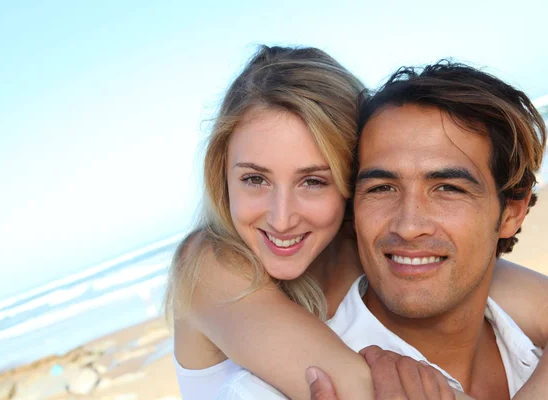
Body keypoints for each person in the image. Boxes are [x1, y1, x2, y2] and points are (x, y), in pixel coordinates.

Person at [165, 46, 548, 399]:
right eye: (254, 179)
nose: (281, 218)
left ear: (350, 181)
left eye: (313, 181)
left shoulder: (377, 248)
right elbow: (363, 387)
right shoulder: (211, 265)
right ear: (223, 177)